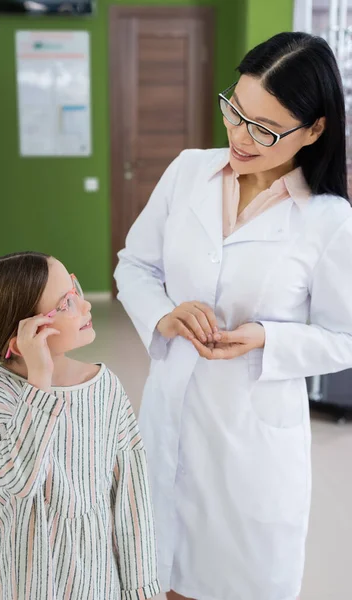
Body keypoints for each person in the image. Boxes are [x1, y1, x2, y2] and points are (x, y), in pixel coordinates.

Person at [114, 31, 352, 600]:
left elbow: (344, 337)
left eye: (265, 129)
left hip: (254, 443)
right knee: (160, 574)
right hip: (170, 411)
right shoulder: (187, 171)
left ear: (315, 129)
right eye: (235, 111)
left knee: (241, 581)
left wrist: (266, 338)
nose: (240, 137)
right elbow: (134, 266)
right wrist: (164, 316)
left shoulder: (328, 220)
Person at [0, 251, 160, 600]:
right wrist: (40, 380)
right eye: (66, 303)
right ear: (22, 339)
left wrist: (140, 589)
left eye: (76, 289)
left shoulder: (105, 388)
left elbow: (132, 499)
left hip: (97, 582)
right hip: (20, 584)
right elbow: (17, 483)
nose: (84, 306)